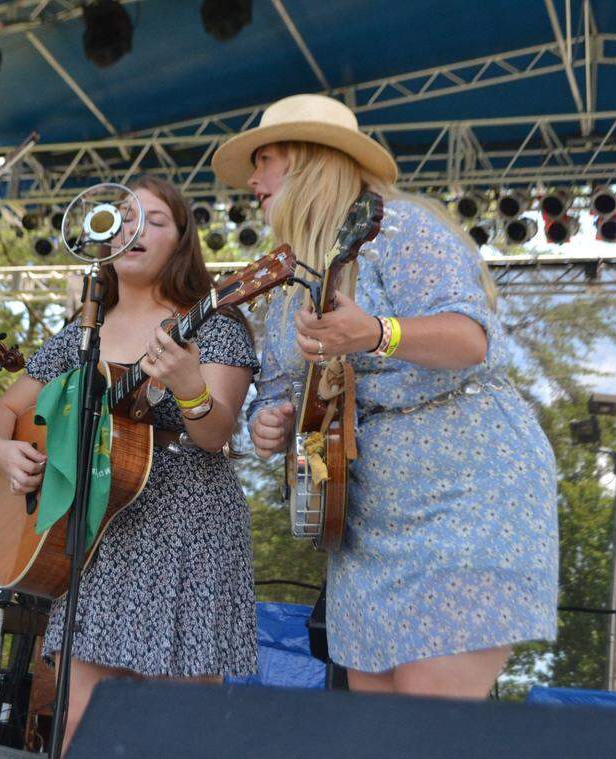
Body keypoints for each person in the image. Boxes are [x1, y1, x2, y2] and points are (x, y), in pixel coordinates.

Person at [212, 94, 558, 699]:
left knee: (426, 720)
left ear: (310, 160)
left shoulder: (399, 228)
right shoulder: (290, 280)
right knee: (375, 727)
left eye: (264, 160)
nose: (252, 180)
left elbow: (470, 339)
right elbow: (278, 389)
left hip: (462, 500)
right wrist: (270, 422)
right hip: (362, 522)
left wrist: (375, 332)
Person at [0, 175, 259, 747]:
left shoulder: (214, 326)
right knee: (81, 723)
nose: (135, 230)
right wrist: (2, 450)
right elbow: (3, 412)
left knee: (177, 728)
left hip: (188, 530)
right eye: (125, 218)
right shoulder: (80, 335)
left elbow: (215, 434)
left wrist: (188, 384)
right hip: (95, 533)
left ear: (181, 241)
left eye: (154, 221)